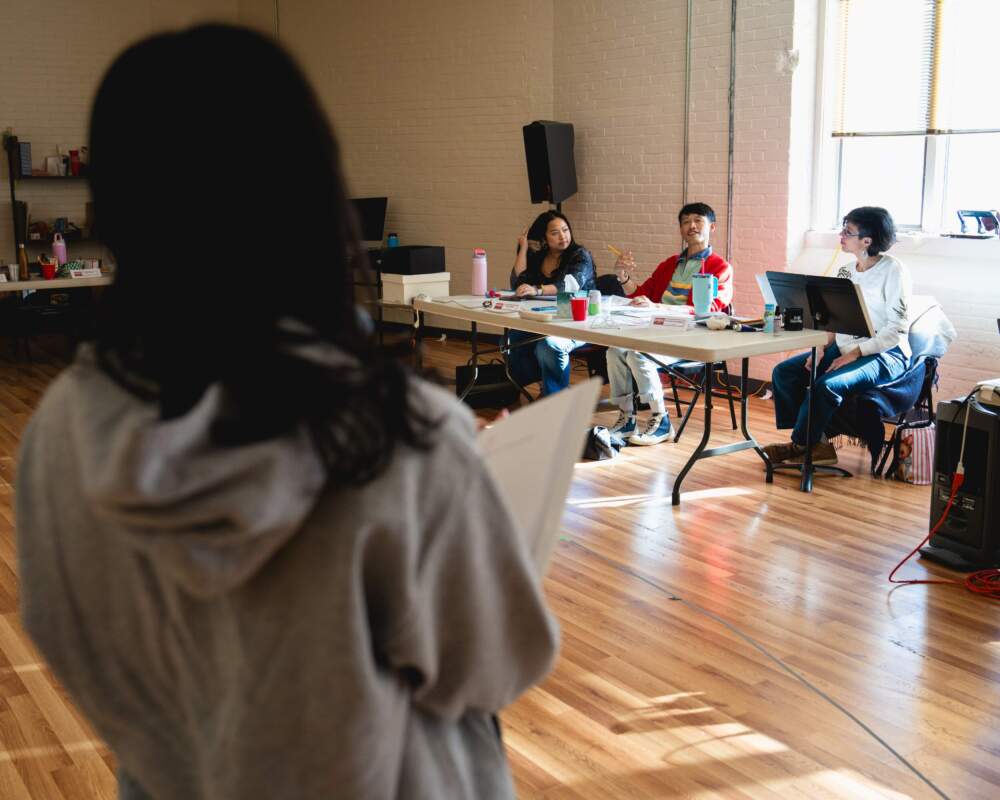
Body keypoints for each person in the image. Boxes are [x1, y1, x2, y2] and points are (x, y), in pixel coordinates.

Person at [15, 25, 558, 800]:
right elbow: (494, 665)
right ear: (312, 191)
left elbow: (65, 636)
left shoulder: (62, 429)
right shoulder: (396, 434)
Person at [764, 206, 911, 467]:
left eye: (848, 231)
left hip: (885, 353)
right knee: (784, 373)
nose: (841, 236)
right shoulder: (845, 271)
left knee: (827, 385)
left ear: (867, 240)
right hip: (845, 347)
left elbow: (896, 331)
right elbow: (834, 319)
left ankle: (801, 445)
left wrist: (855, 354)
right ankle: (815, 442)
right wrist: (820, 348)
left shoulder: (893, 271)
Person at [606, 202, 734, 445]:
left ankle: (661, 420)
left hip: (692, 336)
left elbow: (711, 309)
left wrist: (658, 307)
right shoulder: (670, 264)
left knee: (638, 355)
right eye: (685, 222)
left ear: (712, 227)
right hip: (655, 330)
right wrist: (623, 277)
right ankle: (627, 418)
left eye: (698, 220)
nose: (691, 226)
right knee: (614, 351)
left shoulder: (720, 267)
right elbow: (641, 295)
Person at [507, 210, 595, 395]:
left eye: (565, 230)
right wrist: (523, 248)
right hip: (546, 319)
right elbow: (518, 282)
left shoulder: (580, 255)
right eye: (555, 233)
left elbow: (569, 285)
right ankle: (544, 385)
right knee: (510, 340)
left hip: (578, 320)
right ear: (544, 238)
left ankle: (556, 397)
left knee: (547, 346)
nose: (563, 236)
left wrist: (538, 289)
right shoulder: (541, 257)